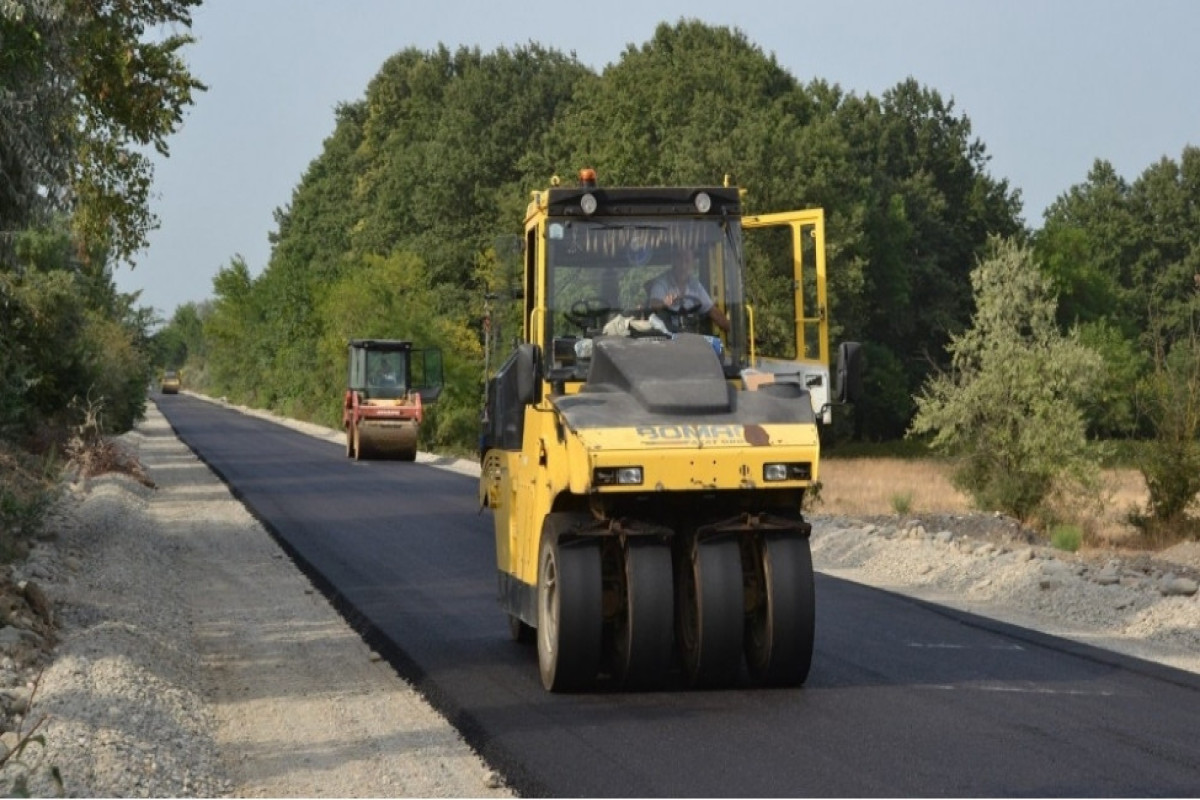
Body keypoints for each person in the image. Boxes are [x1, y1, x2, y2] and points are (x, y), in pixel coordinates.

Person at [647, 248, 731, 333]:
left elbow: (712, 311)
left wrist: (731, 329)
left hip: (691, 338)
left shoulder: (695, 286)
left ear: (692, 264)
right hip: (666, 338)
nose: (683, 266)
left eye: (687, 261)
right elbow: (654, 304)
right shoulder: (662, 283)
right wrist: (664, 304)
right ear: (674, 262)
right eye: (680, 261)